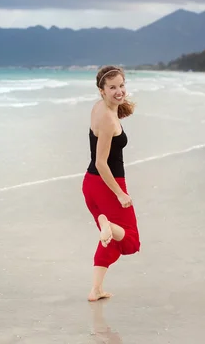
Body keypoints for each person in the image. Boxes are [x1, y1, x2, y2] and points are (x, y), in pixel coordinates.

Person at [82, 65, 141, 302]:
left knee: (109, 241)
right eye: (112, 87)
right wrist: (120, 194)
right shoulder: (107, 118)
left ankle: (95, 290)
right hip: (107, 184)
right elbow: (101, 162)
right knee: (130, 240)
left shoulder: (100, 108)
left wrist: (119, 104)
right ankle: (107, 223)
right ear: (101, 91)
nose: (119, 91)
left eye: (122, 85)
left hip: (90, 185)